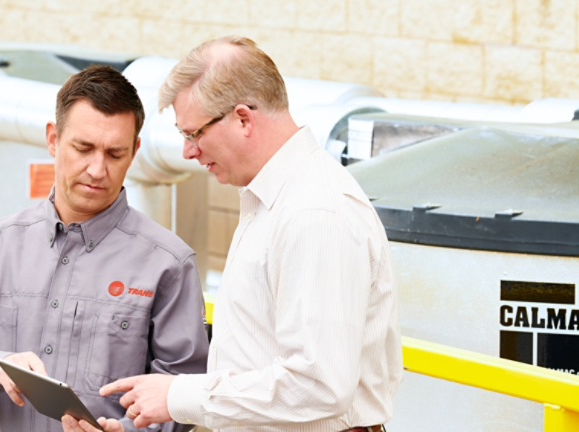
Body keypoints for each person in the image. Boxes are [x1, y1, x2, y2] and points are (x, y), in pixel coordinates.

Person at [93, 36, 403, 432]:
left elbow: (319, 384)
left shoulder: (314, 213)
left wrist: (179, 396)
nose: (188, 152)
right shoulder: (272, 201)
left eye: (194, 134)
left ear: (242, 118)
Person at [0, 65, 210, 432]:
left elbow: (184, 391)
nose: (97, 169)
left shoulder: (169, 264)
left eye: (114, 154)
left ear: (134, 152)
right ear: (53, 139)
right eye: (83, 148)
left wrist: (130, 431)